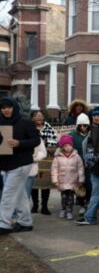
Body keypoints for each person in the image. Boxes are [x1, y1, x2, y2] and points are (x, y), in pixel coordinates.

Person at [0, 97, 40, 235]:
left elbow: (36, 140)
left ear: (14, 107)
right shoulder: (0, 122)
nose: (6, 110)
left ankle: (3, 224)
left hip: (21, 163)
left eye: (9, 107)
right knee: (19, 194)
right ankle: (25, 222)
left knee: (8, 194)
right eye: (3, 107)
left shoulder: (25, 122)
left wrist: (19, 143)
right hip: (6, 165)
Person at [30, 110, 58, 215]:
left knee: (45, 182)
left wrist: (51, 147)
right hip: (33, 158)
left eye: (40, 116)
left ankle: (45, 206)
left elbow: (55, 141)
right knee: (34, 183)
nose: (39, 118)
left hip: (47, 159)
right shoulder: (29, 128)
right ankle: (35, 205)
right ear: (32, 118)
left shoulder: (49, 128)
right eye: (36, 116)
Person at [51, 134, 84, 220]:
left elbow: (80, 168)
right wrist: (55, 180)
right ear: (62, 147)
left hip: (73, 181)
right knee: (63, 197)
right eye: (66, 145)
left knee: (71, 197)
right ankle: (63, 209)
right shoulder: (58, 157)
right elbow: (54, 169)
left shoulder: (76, 156)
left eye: (70, 145)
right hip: (62, 181)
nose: (68, 147)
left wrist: (81, 179)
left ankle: (69, 211)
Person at [69, 113, 91, 207]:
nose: (82, 127)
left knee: (90, 184)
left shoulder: (92, 134)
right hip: (77, 164)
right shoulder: (72, 134)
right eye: (80, 125)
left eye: (85, 125)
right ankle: (81, 203)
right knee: (79, 184)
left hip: (90, 164)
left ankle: (88, 202)